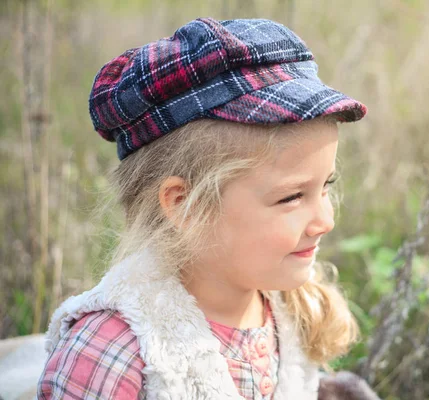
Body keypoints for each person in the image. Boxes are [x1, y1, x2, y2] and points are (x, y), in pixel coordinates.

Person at [37, 17, 372, 399]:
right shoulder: (113, 356)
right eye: (291, 197)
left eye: (325, 186)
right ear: (185, 206)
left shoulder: (287, 314)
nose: (325, 221)